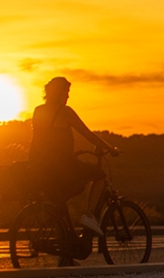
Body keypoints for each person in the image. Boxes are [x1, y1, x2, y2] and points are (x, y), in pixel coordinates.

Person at [29, 76, 118, 235]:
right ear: (60, 93)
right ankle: (89, 216)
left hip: (42, 167)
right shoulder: (65, 112)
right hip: (63, 167)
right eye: (67, 91)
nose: (68, 96)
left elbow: (37, 140)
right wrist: (110, 148)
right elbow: (88, 134)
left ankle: (64, 243)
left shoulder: (38, 110)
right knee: (99, 175)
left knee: (60, 201)